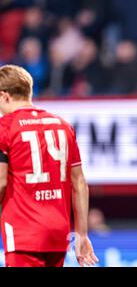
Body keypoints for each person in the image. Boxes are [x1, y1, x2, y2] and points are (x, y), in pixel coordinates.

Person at [0, 64, 98, 267]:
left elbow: (1, 183)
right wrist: (81, 234)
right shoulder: (62, 125)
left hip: (23, 232)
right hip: (58, 232)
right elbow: (79, 183)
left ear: (5, 96)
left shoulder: (5, 128)